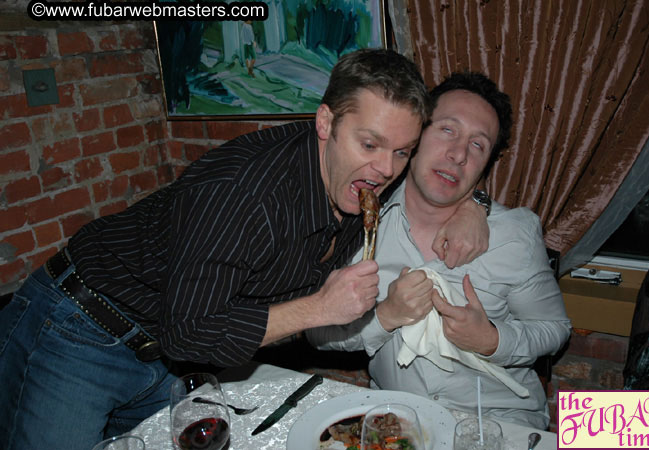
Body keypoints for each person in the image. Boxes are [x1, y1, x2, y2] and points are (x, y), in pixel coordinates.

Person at [0, 50, 489, 450]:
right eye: (370, 144)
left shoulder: (366, 176)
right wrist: (321, 308)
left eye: (401, 151)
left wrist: (475, 204)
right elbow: (188, 332)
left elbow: (439, 180)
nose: (385, 169)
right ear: (325, 122)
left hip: (165, 356)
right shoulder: (246, 192)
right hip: (79, 328)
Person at [307, 71, 572, 429]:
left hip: (499, 422)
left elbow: (554, 329)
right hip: (399, 420)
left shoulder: (512, 235)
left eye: (478, 145)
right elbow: (317, 333)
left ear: (486, 164)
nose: (458, 154)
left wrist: (494, 339)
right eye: (447, 129)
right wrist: (385, 317)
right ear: (415, 135)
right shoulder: (359, 222)